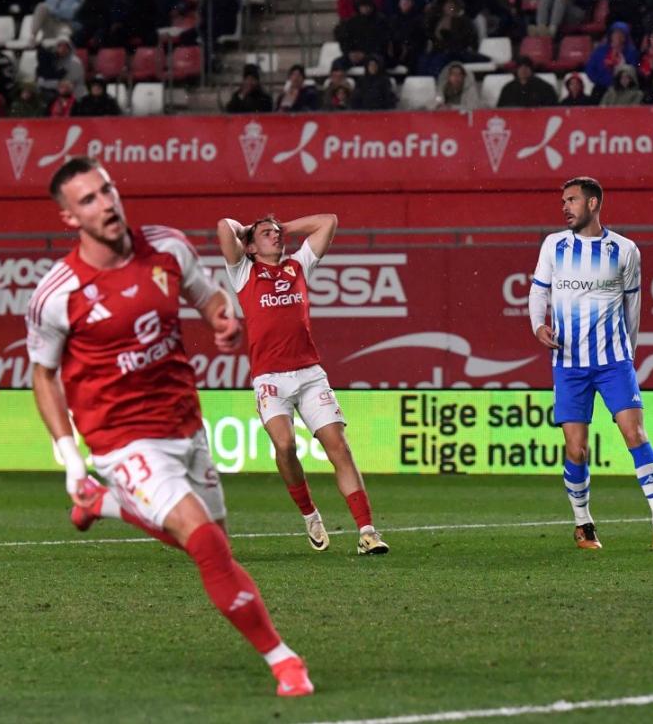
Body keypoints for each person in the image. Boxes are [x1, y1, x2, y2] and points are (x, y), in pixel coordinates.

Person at [27, 158, 313, 696]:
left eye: (107, 189)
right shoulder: (56, 293)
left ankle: (106, 504)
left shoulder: (168, 247)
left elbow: (210, 299)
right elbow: (43, 376)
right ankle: (283, 660)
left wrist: (223, 323)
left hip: (185, 423)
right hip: (119, 438)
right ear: (69, 217)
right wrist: (70, 458)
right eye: (88, 199)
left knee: (216, 548)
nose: (106, 203)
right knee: (204, 541)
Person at [216, 213, 390, 556]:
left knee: (338, 446)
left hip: (310, 374)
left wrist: (282, 228)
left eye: (277, 233)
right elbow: (225, 226)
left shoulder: (298, 266)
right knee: (285, 446)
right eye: (267, 234)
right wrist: (250, 229)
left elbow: (330, 221)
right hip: (270, 379)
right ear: (249, 246)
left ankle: (367, 531)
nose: (276, 237)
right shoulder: (243, 271)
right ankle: (310, 515)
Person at [527, 177, 653, 551]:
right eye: (563, 200)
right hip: (569, 362)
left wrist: (629, 355)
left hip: (613, 362)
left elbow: (633, 309)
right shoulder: (553, 245)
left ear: (593, 204)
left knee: (635, 435)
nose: (565, 206)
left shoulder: (624, 250)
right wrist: (538, 325)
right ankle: (583, 524)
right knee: (576, 448)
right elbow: (538, 290)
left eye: (572, 200)